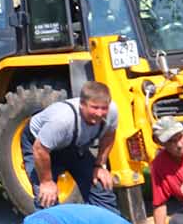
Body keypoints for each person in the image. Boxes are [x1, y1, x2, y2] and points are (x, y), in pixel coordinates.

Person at [23, 81, 119, 212]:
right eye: (94, 108)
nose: (99, 113)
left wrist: (100, 165)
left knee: (100, 185)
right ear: (82, 105)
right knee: (47, 196)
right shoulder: (62, 120)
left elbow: (109, 135)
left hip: (72, 144)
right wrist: (46, 182)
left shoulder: (112, 112)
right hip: (40, 146)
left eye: (103, 108)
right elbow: (40, 149)